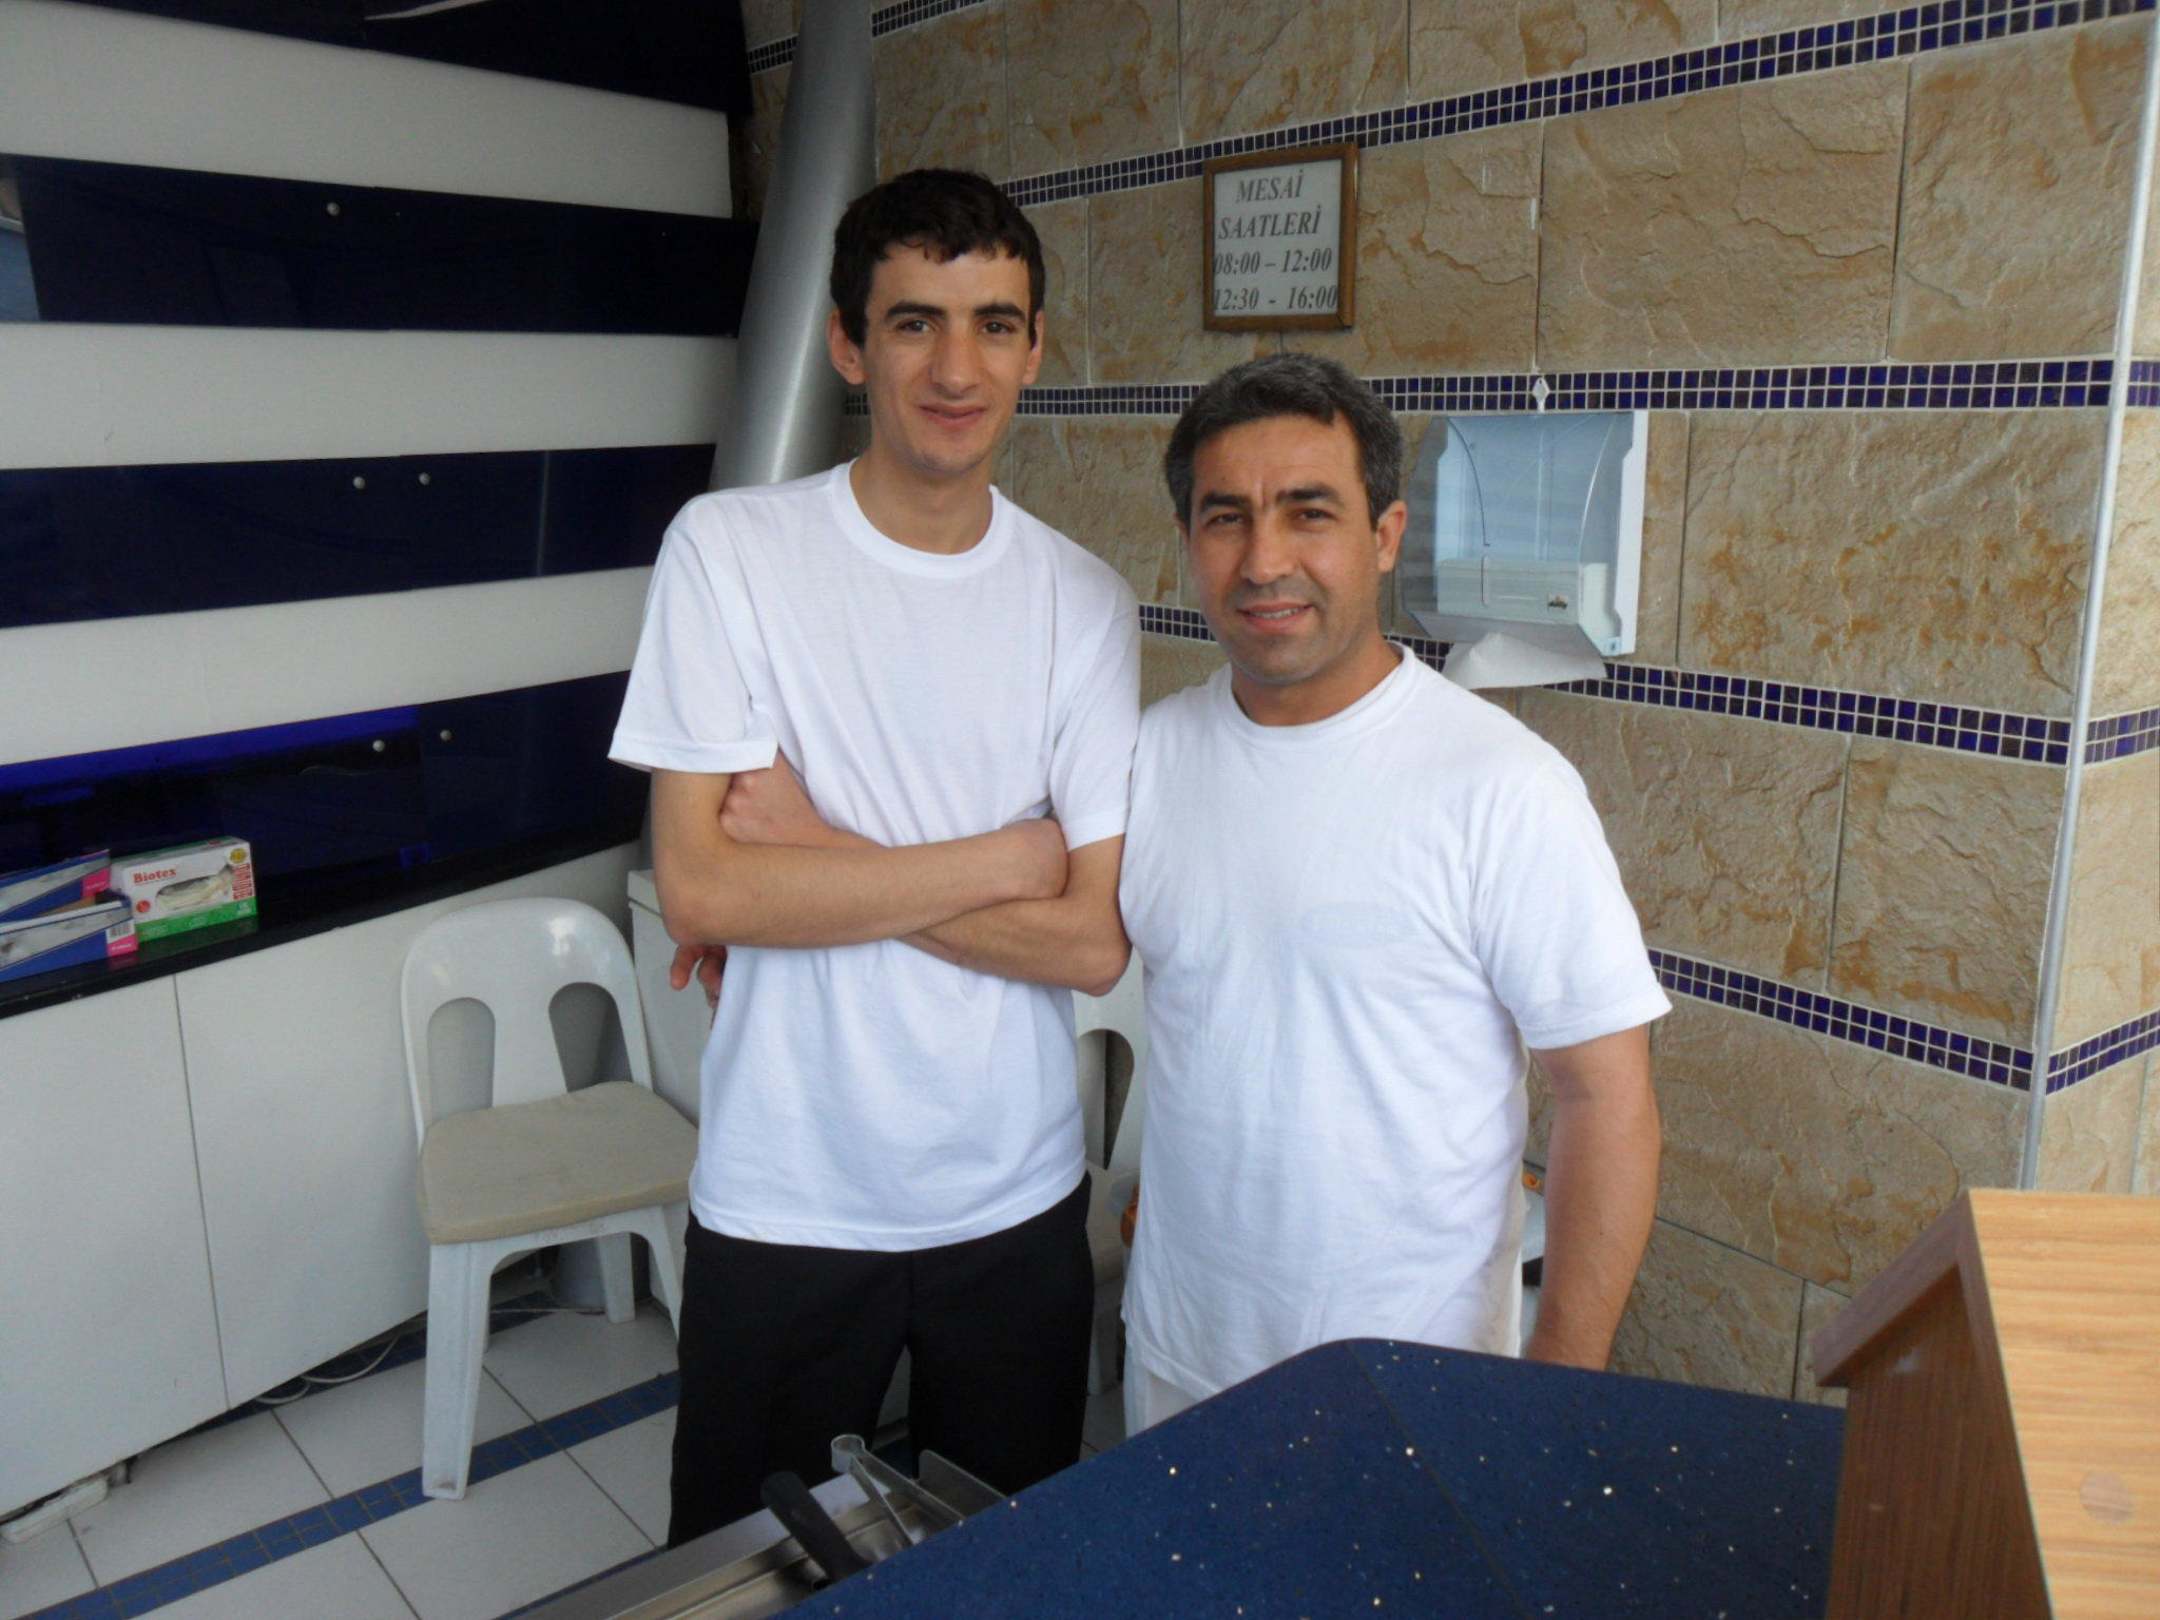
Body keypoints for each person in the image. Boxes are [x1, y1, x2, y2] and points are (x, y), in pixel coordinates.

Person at [608, 168, 1139, 1543]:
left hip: (1014, 1196)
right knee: (748, 1567)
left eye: (994, 325)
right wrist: (1012, 854)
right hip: (789, 1191)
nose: (957, 369)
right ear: (848, 344)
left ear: (1036, 347)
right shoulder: (731, 553)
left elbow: (1090, 943)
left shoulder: (1082, 601)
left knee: (1005, 1566)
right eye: (914, 323)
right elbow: (704, 887)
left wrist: (813, 853)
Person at [1115, 353, 1667, 1433]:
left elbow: (1609, 1102)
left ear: (1385, 535)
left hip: (1412, 1394)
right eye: (1226, 518)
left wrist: (1554, 1395)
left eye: (1308, 512)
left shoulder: (1500, 786)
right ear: (1187, 541)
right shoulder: (1151, 755)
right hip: (1182, 1361)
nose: (1264, 560)